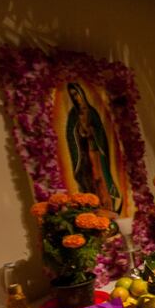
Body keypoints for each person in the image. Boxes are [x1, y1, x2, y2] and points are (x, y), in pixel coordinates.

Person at [66, 82, 121, 213]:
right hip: (84, 152)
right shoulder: (73, 115)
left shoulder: (92, 112)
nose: (76, 98)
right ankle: (96, 205)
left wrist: (92, 131)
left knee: (100, 177)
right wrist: (79, 132)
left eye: (77, 94)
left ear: (82, 94)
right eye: (73, 96)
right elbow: (70, 134)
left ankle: (107, 203)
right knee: (91, 179)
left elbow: (100, 131)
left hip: (95, 150)